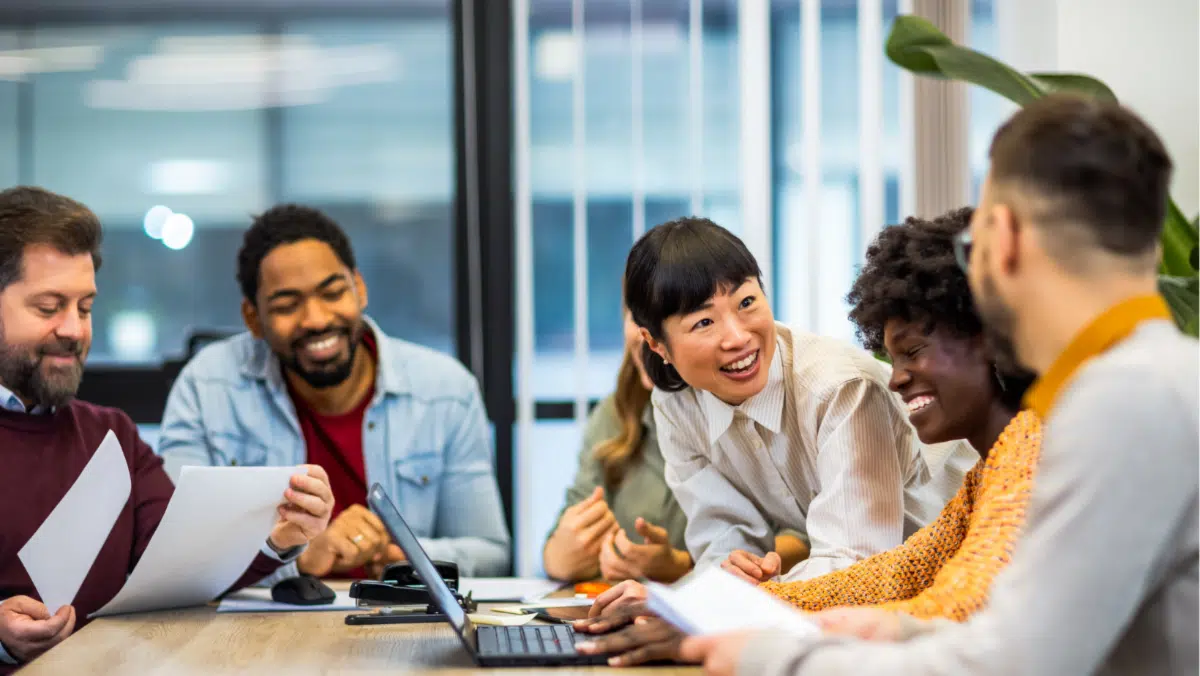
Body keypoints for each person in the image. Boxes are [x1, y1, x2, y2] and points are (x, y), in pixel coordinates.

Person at [680, 94, 1198, 675]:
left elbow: (1008, 662)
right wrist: (893, 625)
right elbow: (933, 588)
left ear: (1000, 238)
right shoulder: (1155, 382)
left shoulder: (1124, 405)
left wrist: (774, 658)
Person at [571, 207, 1044, 665]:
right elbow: (894, 575)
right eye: (704, 322)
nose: (894, 380)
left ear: (989, 339)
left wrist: (723, 620)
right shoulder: (985, 479)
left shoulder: (1023, 457)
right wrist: (705, 609)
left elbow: (942, 602)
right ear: (657, 346)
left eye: (913, 352)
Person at [0, 187, 334, 672]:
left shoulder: (110, 435)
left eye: (86, 307)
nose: (73, 329)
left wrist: (278, 538)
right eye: (49, 307)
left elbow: (185, 567)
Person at [157, 204, 509, 582]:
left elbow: (490, 554)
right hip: (261, 629)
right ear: (253, 319)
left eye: (332, 292)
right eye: (287, 305)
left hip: (393, 625)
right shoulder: (206, 387)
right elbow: (175, 556)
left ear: (359, 288)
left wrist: (399, 556)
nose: (317, 319)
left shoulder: (446, 391)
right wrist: (298, 558)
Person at [619, 216, 973, 586]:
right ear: (655, 343)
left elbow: (855, 565)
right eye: (704, 323)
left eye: (747, 302)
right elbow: (725, 546)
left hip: (969, 567)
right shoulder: (677, 404)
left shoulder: (838, 387)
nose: (738, 337)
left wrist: (753, 598)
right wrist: (714, 591)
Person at [543, 306, 810, 583]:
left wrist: (686, 565)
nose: (649, 335)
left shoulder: (757, 405)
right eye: (638, 316)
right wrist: (558, 558)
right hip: (633, 611)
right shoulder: (613, 414)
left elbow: (806, 537)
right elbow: (567, 533)